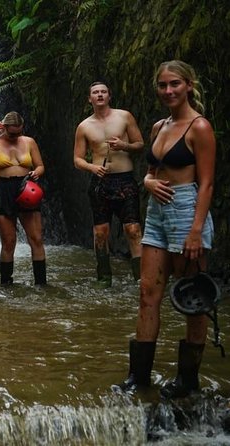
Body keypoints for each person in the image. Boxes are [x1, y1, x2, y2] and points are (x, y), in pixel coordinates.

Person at [116, 61, 216, 398]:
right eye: (162, 85)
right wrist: (146, 181)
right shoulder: (160, 125)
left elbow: (206, 184)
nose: (168, 91)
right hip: (157, 214)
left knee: (193, 297)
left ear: (189, 85)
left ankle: (188, 380)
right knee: (147, 294)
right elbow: (151, 170)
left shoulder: (199, 127)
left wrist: (196, 231)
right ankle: (138, 377)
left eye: (174, 84)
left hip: (188, 211)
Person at [73, 81, 145, 287]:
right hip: (100, 183)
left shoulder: (124, 116)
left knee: (133, 230)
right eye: (95, 92)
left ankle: (140, 278)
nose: (100, 95)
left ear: (109, 96)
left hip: (125, 179)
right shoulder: (84, 126)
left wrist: (124, 145)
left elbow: (140, 144)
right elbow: (77, 159)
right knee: (101, 232)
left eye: (104, 91)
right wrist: (92, 168)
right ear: (90, 99)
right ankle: (104, 278)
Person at [0, 111, 47, 285]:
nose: (15, 136)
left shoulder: (29, 142)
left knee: (36, 238)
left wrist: (36, 172)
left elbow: (40, 165)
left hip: (26, 187)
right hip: (3, 188)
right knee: (9, 241)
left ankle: (41, 282)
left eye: (18, 132)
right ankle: (6, 282)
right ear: (4, 128)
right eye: (11, 132)